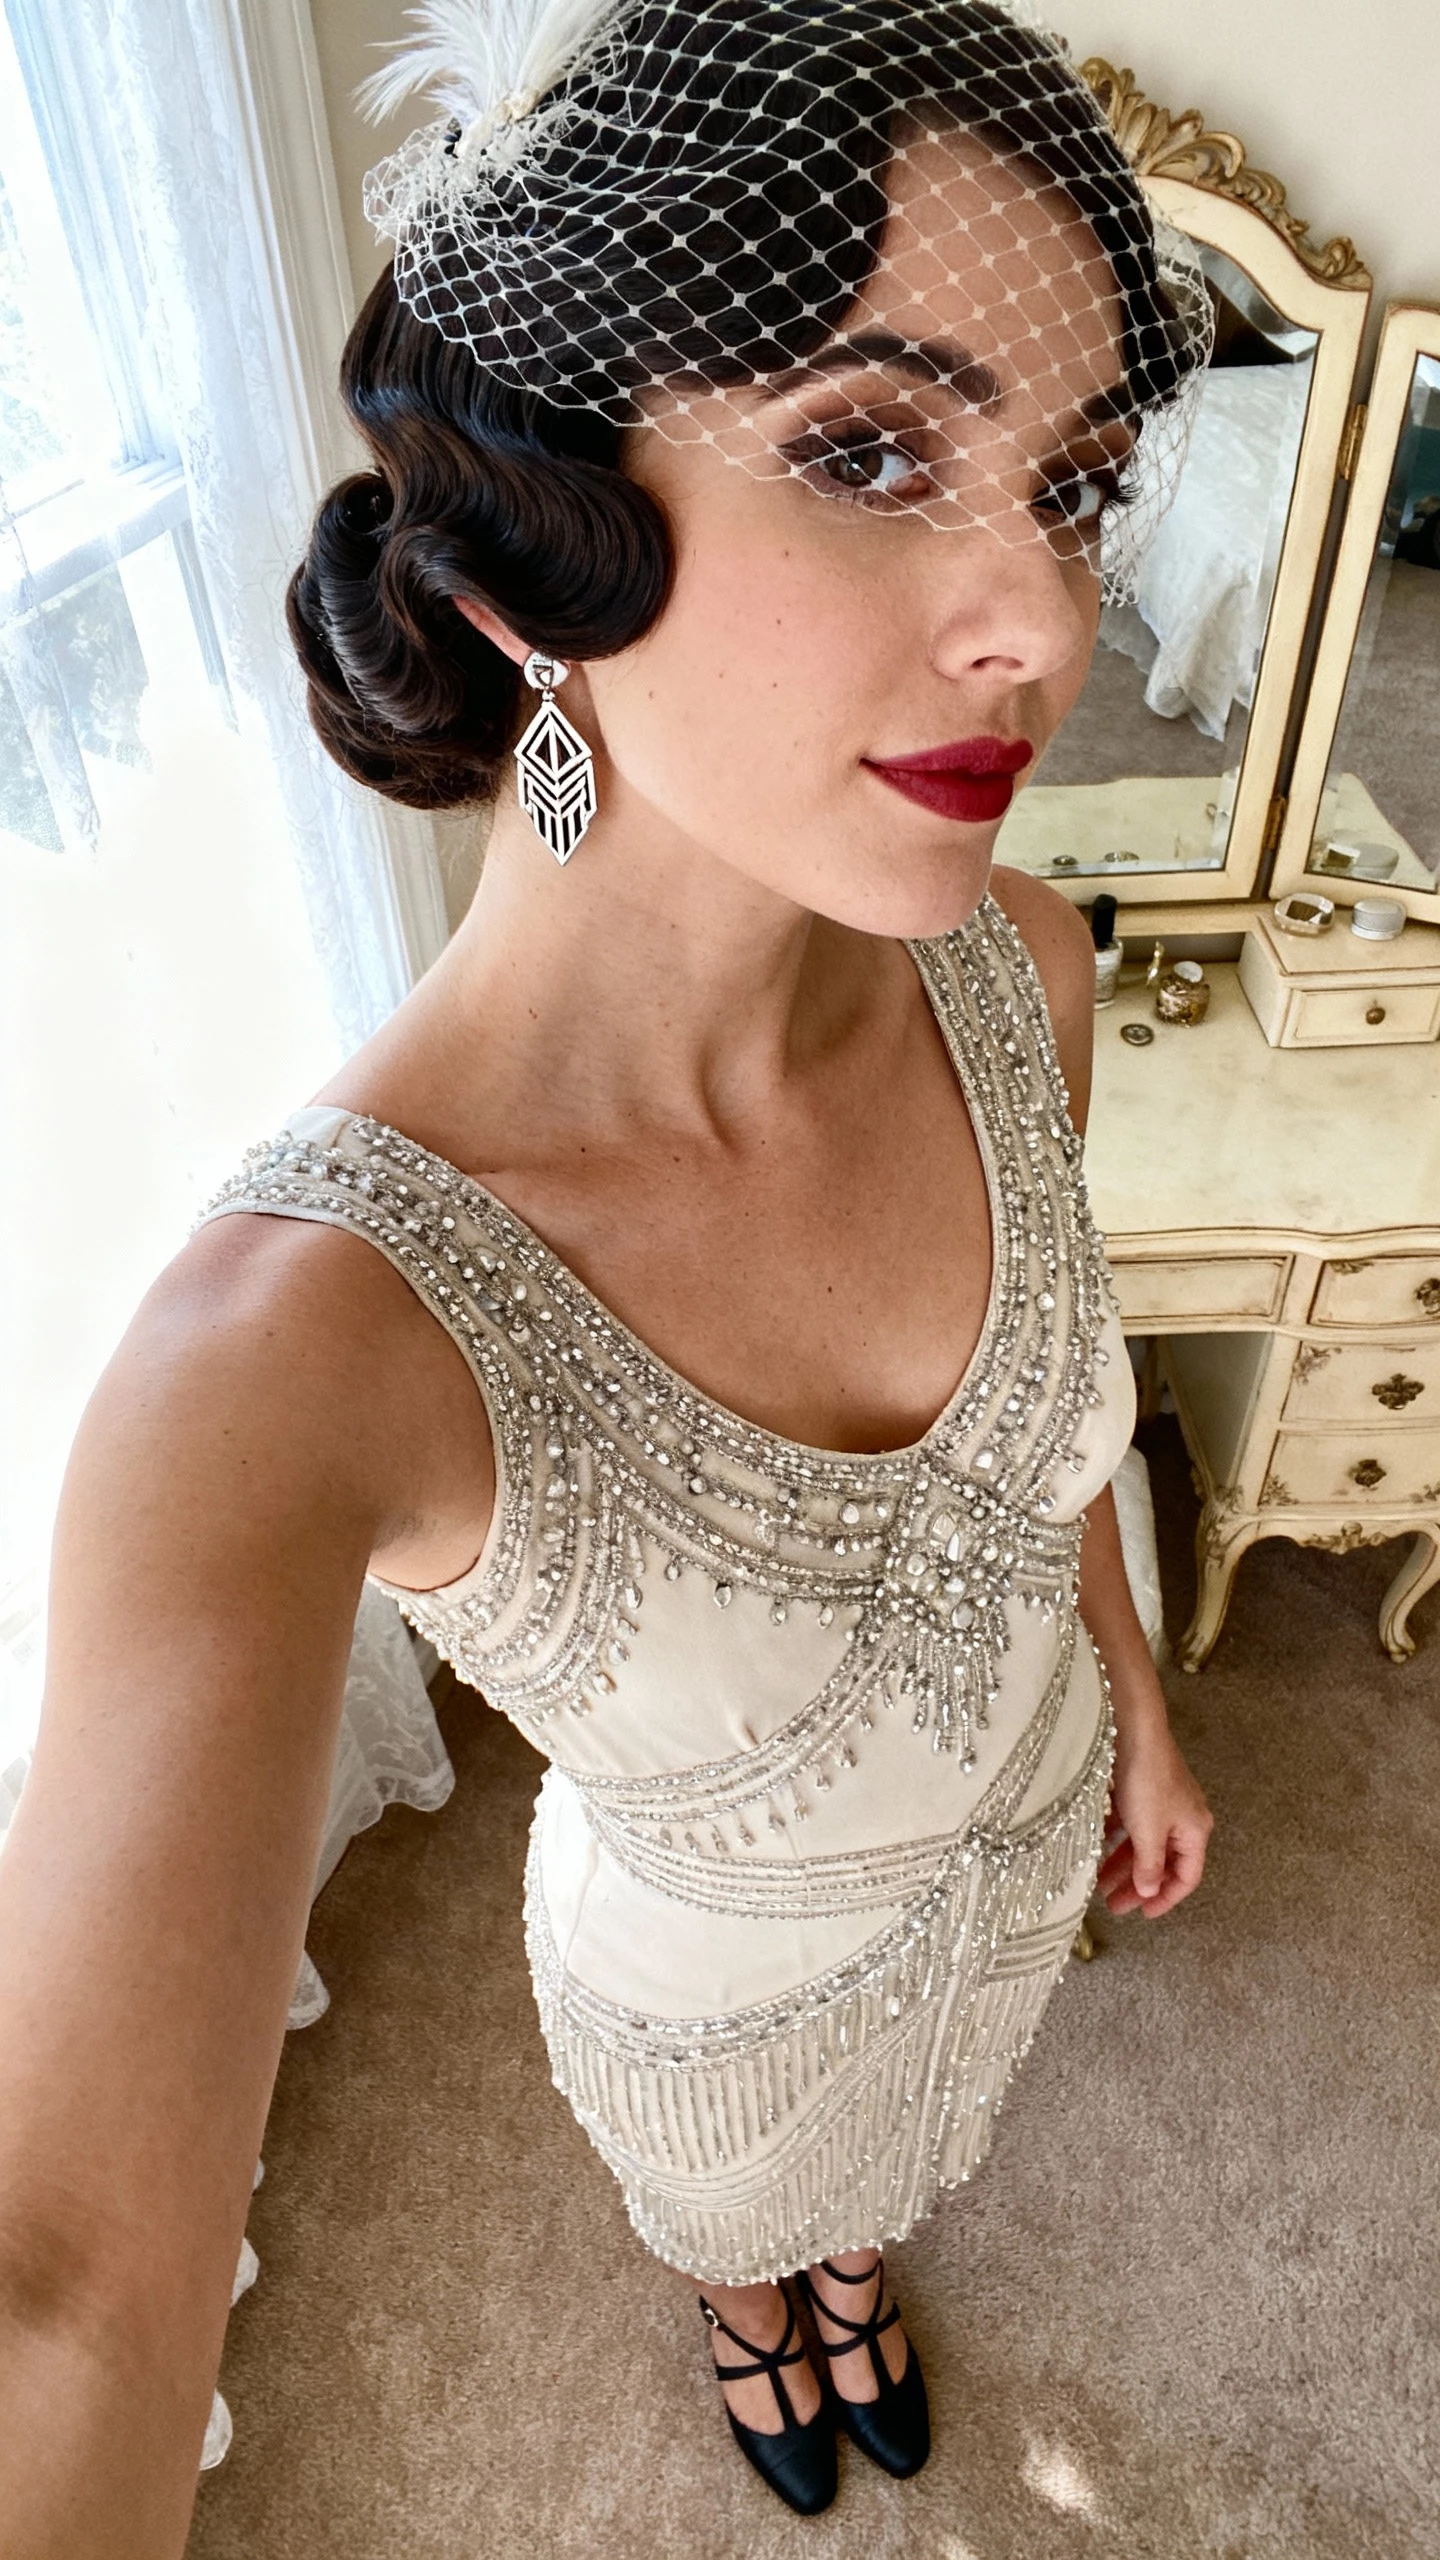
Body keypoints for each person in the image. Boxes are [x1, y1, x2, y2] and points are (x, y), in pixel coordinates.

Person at [0, 0, 1214, 2540]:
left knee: (878, 2186)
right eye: (874, 447)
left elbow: (1056, 1437)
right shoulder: (291, 1348)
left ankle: (839, 2264)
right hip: (709, 1994)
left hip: (1012, 1869)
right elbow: (70, 2288)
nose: (1039, 623)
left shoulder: (1030, 971)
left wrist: (1139, 1704)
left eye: (1074, 482)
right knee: (751, 2211)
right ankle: (748, 2287)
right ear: (539, 544)